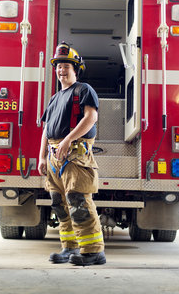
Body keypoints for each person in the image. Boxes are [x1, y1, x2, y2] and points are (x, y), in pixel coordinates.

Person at [38, 42, 106, 266]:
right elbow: (47, 130)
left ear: (76, 68)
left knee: (79, 202)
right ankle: (69, 247)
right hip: (55, 158)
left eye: (66, 65)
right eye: (58, 66)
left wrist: (68, 140)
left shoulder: (84, 90)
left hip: (75, 155)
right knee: (60, 204)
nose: (61, 70)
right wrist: (42, 157)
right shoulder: (54, 98)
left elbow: (90, 118)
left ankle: (93, 251)